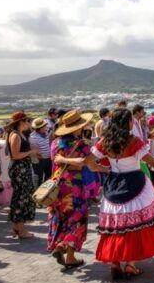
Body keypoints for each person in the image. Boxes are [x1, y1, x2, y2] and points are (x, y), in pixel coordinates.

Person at [89, 108, 154, 279]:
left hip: (113, 185)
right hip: (135, 185)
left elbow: (90, 163)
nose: (133, 122)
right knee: (136, 226)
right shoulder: (134, 141)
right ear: (128, 122)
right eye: (131, 120)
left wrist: (105, 169)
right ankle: (130, 264)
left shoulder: (104, 141)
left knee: (115, 226)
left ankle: (115, 262)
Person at [47, 110, 109, 270]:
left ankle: (62, 248)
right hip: (75, 187)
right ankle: (67, 253)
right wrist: (106, 169)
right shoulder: (82, 145)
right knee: (77, 218)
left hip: (58, 186)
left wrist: (63, 159)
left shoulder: (55, 143)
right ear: (76, 128)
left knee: (61, 217)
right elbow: (86, 162)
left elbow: (56, 161)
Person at [6, 111, 39, 239]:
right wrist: (31, 151)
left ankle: (18, 227)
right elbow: (15, 155)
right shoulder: (16, 135)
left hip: (22, 168)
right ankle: (21, 229)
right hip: (19, 169)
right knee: (21, 198)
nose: (28, 123)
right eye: (27, 121)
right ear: (20, 123)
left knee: (22, 196)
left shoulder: (19, 134)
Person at [29, 118, 52, 186]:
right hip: (39, 161)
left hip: (48, 159)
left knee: (48, 177)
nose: (46, 127)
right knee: (39, 178)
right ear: (40, 128)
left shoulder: (46, 133)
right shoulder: (33, 137)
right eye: (44, 126)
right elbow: (36, 153)